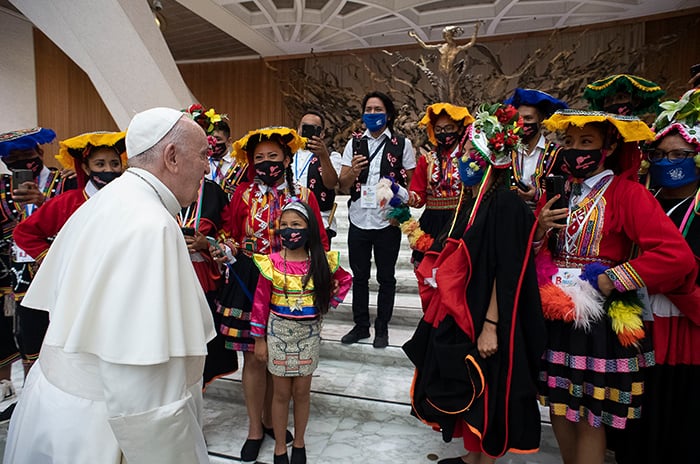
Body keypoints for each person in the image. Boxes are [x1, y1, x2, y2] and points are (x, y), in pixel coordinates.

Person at [3, 107, 216, 464]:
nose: (208, 168)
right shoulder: (151, 225)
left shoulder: (109, 200)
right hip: (101, 431)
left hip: (59, 408)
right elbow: (141, 377)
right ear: (172, 157)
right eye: (203, 155)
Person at [534, 109, 696, 464]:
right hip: (555, 311)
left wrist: (614, 278)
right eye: (571, 142)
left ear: (608, 147)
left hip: (599, 321)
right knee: (559, 408)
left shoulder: (628, 194)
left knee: (590, 416)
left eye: (587, 142)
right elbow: (539, 252)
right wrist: (541, 228)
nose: (576, 150)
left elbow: (676, 256)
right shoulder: (560, 192)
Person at [404, 103, 546, 464]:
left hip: (488, 312)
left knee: (491, 381)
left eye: (469, 153)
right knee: (473, 383)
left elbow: (507, 271)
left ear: (487, 159)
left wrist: (491, 326)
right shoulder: (475, 202)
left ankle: (484, 460)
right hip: (471, 306)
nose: (463, 159)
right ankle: (473, 457)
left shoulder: (506, 205)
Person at [216, 127, 329, 464]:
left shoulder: (305, 196)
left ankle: (270, 421)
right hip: (252, 277)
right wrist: (227, 246)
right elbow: (229, 231)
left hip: (292, 281)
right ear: (251, 162)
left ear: (287, 159)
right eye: (260, 158)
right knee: (254, 356)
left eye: (273, 157)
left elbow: (319, 240)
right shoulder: (243, 194)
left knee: (279, 359)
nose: (266, 163)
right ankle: (254, 428)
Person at [619, 88, 700, 464]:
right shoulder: (643, 201)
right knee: (639, 415)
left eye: (679, 155)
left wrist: (670, 277)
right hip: (641, 325)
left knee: (679, 414)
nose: (668, 162)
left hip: (686, 332)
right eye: (660, 155)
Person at [251, 201, 352, 464]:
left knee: (302, 393)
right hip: (278, 334)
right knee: (281, 393)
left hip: (308, 337)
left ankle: (300, 441)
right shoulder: (271, 263)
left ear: (310, 228)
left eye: (296, 225)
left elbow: (345, 280)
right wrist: (259, 340)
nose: (289, 230)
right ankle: (280, 447)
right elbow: (260, 303)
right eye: (284, 225)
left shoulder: (321, 262)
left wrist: (326, 304)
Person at [0, 127, 72, 420]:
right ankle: (31, 398)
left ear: (39, 154)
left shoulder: (64, 183)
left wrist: (43, 202)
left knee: (59, 334)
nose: (20, 165)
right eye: (12, 159)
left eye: (26, 157)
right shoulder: (2, 188)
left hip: (58, 276)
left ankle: (63, 397)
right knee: (21, 333)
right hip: (13, 279)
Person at [338, 91, 416, 348]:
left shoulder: (402, 144)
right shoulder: (354, 144)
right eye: (368, 109)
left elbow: (413, 184)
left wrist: (400, 209)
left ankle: (382, 327)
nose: (372, 114)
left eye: (377, 109)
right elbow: (343, 183)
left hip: (387, 222)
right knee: (359, 277)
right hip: (359, 218)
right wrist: (354, 170)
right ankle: (360, 326)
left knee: (386, 277)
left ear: (389, 114)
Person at [13, 131, 127, 264]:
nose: (109, 170)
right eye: (100, 164)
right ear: (86, 168)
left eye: (115, 164)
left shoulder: (131, 199)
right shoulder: (68, 202)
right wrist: (53, 262)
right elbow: (24, 232)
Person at [406, 103, 473, 266]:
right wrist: (402, 196)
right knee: (428, 271)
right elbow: (419, 197)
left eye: (449, 128)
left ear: (458, 129)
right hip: (432, 222)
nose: (444, 133)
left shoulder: (470, 158)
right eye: (438, 130)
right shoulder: (426, 160)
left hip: (461, 219)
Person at [503, 88, 568, 209]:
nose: (522, 123)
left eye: (528, 118)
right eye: (519, 119)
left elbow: (565, 194)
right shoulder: (505, 151)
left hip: (542, 221)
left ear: (541, 119)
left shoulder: (558, 154)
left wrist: (537, 194)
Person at [293, 110, 342, 243]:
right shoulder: (288, 153)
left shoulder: (332, 156)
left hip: (319, 221)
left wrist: (323, 156)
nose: (307, 131)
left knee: (318, 263)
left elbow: (331, 184)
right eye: (304, 127)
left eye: (313, 128)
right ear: (298, 129)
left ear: (321, 133)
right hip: (289, 220)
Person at [582, 74, 665, 117]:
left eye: (621, 98)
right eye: (608, 100)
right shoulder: (597, 134)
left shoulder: (645, 134)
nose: (613, 103)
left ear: (636, 101)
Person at [209, 120, 249, 197]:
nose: (213, 143)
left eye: (218, 139)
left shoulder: (241, 165)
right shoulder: (201, 163)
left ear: (229, 141)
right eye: (210, 139)